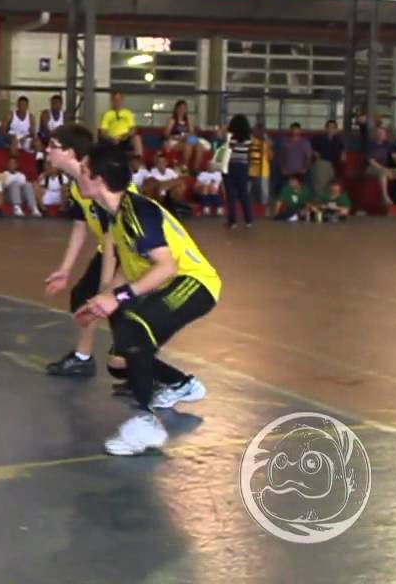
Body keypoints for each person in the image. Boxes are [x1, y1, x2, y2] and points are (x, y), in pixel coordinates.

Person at [75, 142, 219, 455]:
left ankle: (146, 423)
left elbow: (166, 266)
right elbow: (129, 271)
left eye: (83, 171)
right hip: (176, 280)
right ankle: (178, 387)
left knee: (134, 327)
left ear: (99, 178)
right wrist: (101, 301)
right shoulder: (117, 218)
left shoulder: (138, 210)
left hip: (195, 282)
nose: (79, 177)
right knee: (124, 343)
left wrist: (119, 297)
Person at [41, 124, 115, 380]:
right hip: (109, 248)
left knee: (118, 308)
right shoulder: (77, 186)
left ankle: (144, 371)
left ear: (70, 152)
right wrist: (64, 270)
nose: (47, 150)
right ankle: (83, 358)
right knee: (83, 297)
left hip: (130, 250)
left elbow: (112, 235)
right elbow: (80, 227)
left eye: (53, 146)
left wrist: (107, 286)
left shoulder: (98, 184)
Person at [223, 114, 254, 229]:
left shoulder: (233, 139)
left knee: (231, 195)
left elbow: (228, 150)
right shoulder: (249, 139)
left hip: (232, 167)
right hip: (243, 167)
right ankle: (248, 220)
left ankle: (233, 221)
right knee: (244, 194)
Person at [365, 125, 396, 208]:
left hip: (386, 169)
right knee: (383, 172)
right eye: (378, 133)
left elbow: (395, 156)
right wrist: (383, 169)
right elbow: (371, 161)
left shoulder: (388, 144)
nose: (380, 135)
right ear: (375, 134)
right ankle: (385, 197)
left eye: (382, 133)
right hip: (371, 169)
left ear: (386, 135)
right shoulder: (371, 145)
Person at [99, 92, 141, 158]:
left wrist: (126, 135)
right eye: (115, 100)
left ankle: (138, 161)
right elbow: (103, 132)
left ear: (122, 100)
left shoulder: (128, 113)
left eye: (118, 100)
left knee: (137, 138)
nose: (117, 102)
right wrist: (111, 138)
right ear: (112, 101)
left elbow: (133, 129)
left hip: (125, 138)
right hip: (112, 139)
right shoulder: (107, 114)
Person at [311, 119, 345, 197]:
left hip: (332, 165)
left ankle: (326, 204)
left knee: (330, 186)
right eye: (329, 127)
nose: (331, 129)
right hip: (322, 163)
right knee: (320, 185)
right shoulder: (320, 138)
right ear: (326, 128)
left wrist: (343, 154)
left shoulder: (337, 139)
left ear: (336, 129)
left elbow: (342, 148)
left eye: (333, 127)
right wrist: (315, 153)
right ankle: (318, 204)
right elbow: (309, 145)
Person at [163, 100, 199, 169]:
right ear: (177, 109)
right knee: (188, 145)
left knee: (199, 146)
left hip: (186, 140)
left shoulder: (188, 120)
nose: (182, 110)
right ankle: (184, 167)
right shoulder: (172, 120)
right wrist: (178, 137)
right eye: (181, 108)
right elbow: (166, 135)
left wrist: (188, 135)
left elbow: (193, 133)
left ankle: (196, 168)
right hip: (174, 141)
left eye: (184, 108)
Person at [248, 122, 272, 206]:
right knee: (248, 189)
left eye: (259, 130)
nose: (257, 132)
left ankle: (264, 208)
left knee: (264, 191)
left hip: (263, 169)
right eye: (255, 130)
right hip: (251, 169)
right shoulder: (250, 140)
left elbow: (270, 157)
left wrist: (268, 144)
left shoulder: (266, 141)